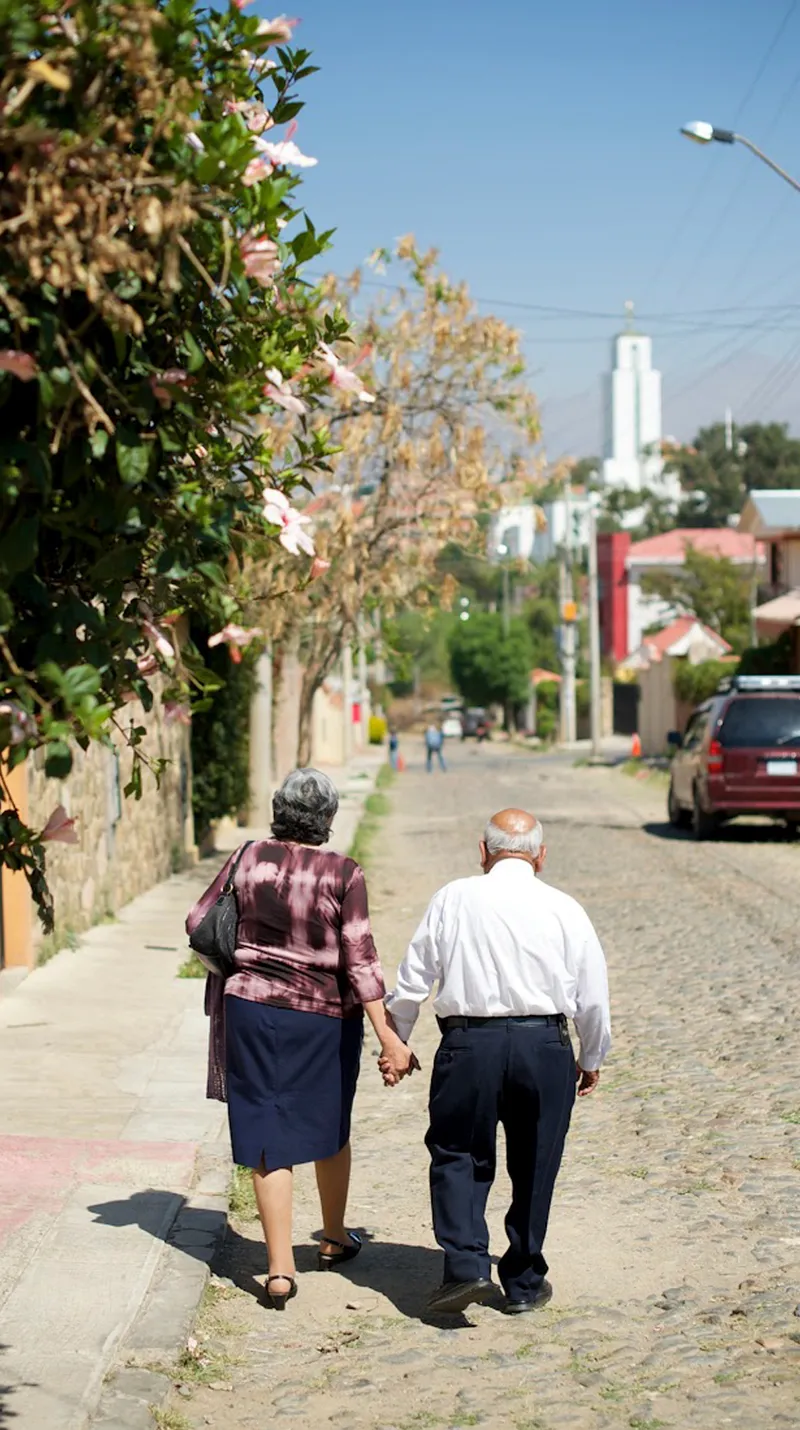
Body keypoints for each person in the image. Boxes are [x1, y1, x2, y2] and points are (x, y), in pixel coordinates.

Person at [187, 768, 414, 1310]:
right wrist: (389, 1035)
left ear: (277, 808)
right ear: (328, 819)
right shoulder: (344, 873)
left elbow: (199, 918)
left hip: (250, 1009)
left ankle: (280, 1270)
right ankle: (334, 1237)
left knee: (267, 1129)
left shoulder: (246, 857)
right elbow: (360, 958)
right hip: (323, 1018)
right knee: (329, 1122)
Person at [382, 807, 611, 1316]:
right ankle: (525, 1281)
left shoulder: (453, 898)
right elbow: (593, 997)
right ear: (541, 857)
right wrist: (590, 1056)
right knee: (536, 1162)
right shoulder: (564, 908)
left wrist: (395, 1042)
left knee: (458, 1153)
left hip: (470, 1047)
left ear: (482, 852)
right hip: (545, 1047)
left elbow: (413, 979)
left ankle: (466, 1267)